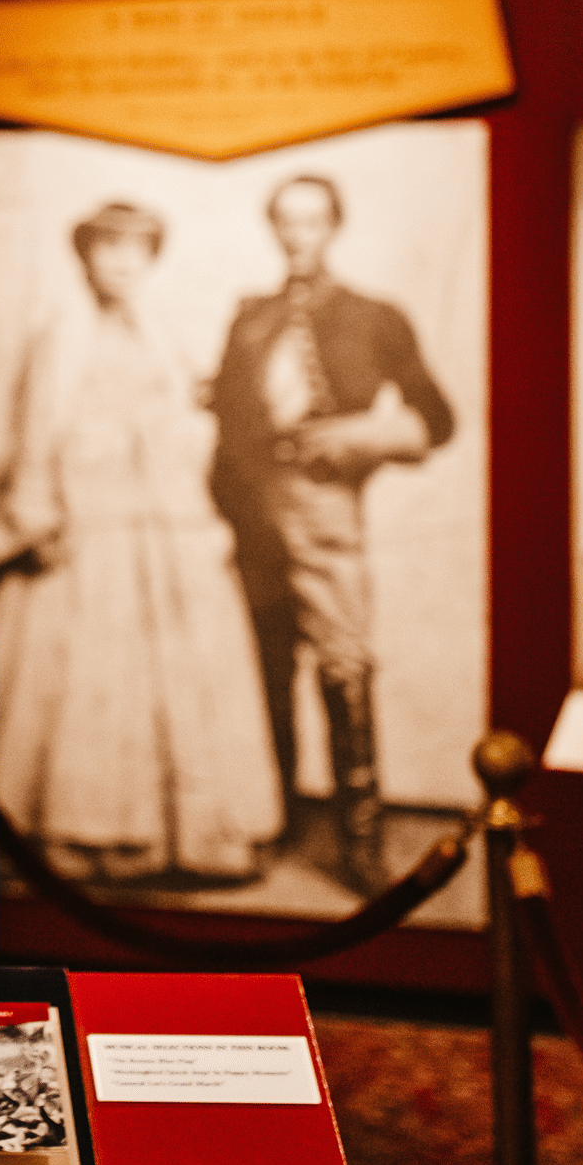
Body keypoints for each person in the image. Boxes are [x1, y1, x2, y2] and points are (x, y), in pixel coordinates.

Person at [0, 201, 281, 882]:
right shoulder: (60, 333)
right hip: (88, 530)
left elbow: (191, 420)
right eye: (107, 247)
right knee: (85, 678)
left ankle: (186, 835)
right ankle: (82, 833)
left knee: (187, 674)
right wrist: (37, 515)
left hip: (167, 528)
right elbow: (37, 431)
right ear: (84, 255)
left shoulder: (164, 332)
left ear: (152, 258)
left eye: (136, 248)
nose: (120, 261)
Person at [207, 173, 455, 895]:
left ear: (333, 225)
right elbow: (227, 417)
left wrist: (360, 435)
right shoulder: (248, 317)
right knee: (266, 663)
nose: (297, 234)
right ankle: (279, 820)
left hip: (324, 509)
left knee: (344, 665)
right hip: (249, 511)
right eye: (285, 220)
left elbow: (435, 419)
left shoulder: (374, 315)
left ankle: (359, 845)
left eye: (311, 221)